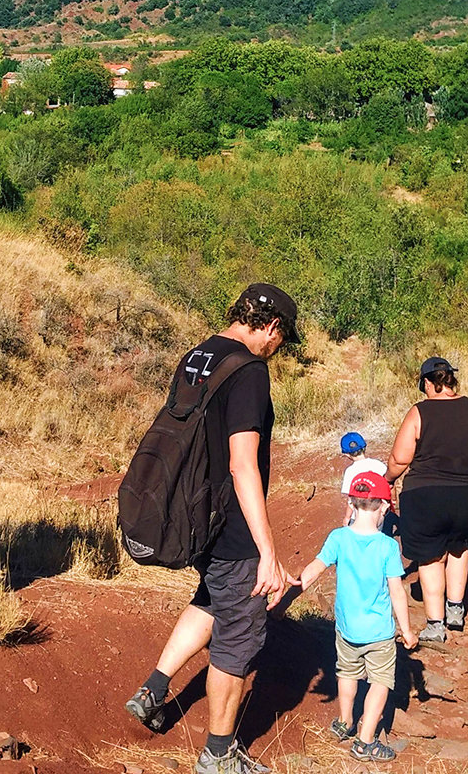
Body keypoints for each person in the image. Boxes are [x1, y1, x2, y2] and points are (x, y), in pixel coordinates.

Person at [124, 283, 301, 774]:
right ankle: (219, 755)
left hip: (196, 513)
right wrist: (267, 549)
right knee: (240, 634)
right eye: (282, 338)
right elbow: (243, 464)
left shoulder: (196, 355)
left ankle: (153, 690)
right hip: (231, 521)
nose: (278, 349)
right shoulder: (249, 371)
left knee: (210, 597)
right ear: (271, 328)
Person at [385, 356, 468, 642]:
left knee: (431, 556)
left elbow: (399, 458)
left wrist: (387, 480)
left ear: (428, 383)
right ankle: (456, 610)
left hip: (425, 498)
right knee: (458, 544)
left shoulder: (418, 413)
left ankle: (435, 625)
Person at [292, 471, 416, 762]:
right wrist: (407, 631)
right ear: (385, 507)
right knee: (381, 682)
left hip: (346, 629)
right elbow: (397, 593)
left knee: (346, 673)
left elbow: (315, 568)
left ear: (351, 502)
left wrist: (293, 587)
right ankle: (365, 741)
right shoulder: (387, 547)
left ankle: (345, 722)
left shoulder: (338, 538)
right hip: (379, 633)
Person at [337, 431, 387, 524]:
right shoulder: (379, 465)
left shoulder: (350, 471)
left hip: (358, 516)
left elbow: (350, 499)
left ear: (346, 454)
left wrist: (347, 517)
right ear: (364, 447)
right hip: (377, 512)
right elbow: (388, 485)